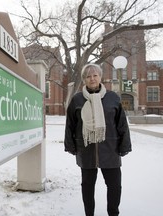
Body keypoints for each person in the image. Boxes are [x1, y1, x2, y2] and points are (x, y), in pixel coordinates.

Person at [64, 63, 132, 216]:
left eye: (95, 75)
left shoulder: (112, 97)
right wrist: (71, 145)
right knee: (87, 186)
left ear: (100, 77)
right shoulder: (77, 99)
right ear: (84, 79)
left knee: (115, 186)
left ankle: (113, 213)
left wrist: (124, 145)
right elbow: (70, 125)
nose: (92, 78)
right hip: (86, 149)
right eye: (88, 76)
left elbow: (122, 124)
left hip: (110, 149)